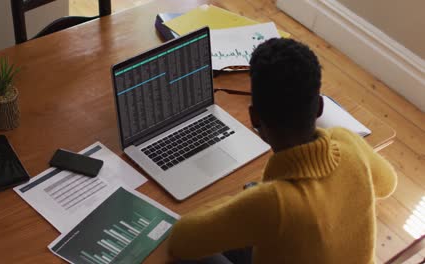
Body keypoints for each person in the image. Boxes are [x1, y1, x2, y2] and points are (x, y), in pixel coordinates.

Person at [167, 38, 397, 263]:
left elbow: (181, 240)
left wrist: (243, 201)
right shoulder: (348, 141)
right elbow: (388, 184)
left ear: (255, 117)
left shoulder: (271, 203)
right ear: (319, 106)